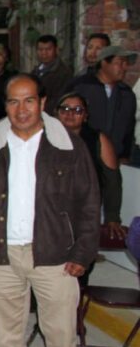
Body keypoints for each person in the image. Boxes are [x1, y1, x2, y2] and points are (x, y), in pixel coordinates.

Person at [0, 75, 99, 347]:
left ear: (42, 103)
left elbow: (90, 201)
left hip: (55, 253)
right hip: (0, 250)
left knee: (60, 331)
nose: (22, 109)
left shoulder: (68, 146)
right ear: (5, 105)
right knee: (5, 328)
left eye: (29, 100)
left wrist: (83, 252)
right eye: (13, 101)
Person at [55, 92, 125, 249]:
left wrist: (112, 218)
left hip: (85, 209)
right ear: (56, 113)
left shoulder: (98, 139)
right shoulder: (42, 137)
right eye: (65, 109)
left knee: (81, 253)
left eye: (77, 110)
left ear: (86, 115)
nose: (70, 114)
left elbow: (112, 181)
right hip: (48, 209)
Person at [67, 45, 138, 162]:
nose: (124, 67)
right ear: (104, 62)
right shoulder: (81, 87)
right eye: (120, 62)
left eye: (126, 63)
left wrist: (125, 156)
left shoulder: (127, 94)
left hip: (114, 160)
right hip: (82, 158)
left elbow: (129, 130)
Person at [30, 35, 73, 116]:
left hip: (50, 115)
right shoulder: (35, 71)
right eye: (40, 49)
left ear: (56, 50)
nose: (44, 53)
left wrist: (40, 112)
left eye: (48, 49)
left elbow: (59, 99)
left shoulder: (63, 72)